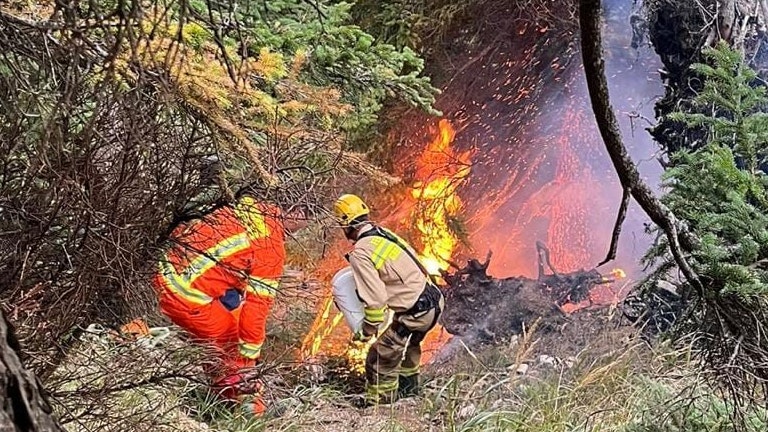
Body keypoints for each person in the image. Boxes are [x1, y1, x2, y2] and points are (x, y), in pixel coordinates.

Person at [152, 193, 288, 415]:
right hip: (183, 291)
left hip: (168, 267)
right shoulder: (270, 245)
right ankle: (250, 414)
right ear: (298, 213)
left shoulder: (251, 208)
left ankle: (220, 397)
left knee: (220, 336)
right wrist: (249, 357)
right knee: (234, 345)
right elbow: (255, 310)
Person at [332, 193, 445, 406]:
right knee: (410, 348)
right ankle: (409, 393)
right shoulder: (384, 234)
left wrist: (367, 332)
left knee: (379, 356)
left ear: (345, 224)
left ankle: (380, 405)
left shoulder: (361, 252)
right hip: (434, 301)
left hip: (415, 312)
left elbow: (376, 302)